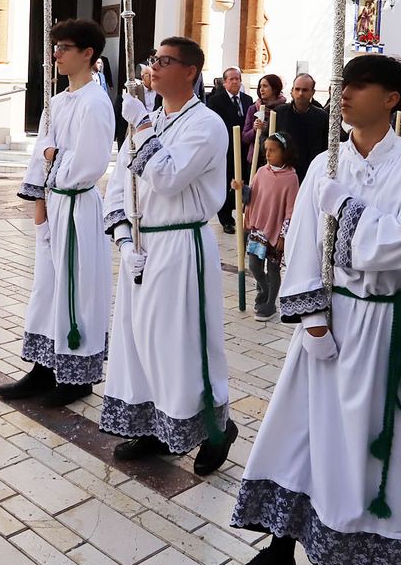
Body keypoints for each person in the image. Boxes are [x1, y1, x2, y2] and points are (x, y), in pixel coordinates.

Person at [219, 54, 401, 565]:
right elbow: (301, 244)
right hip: (323, 322)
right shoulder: (326, 164)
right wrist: (313, 318)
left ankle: (361, 550)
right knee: (298, 433)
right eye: (344, 84)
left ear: (393, 99)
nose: (344, 94)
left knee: (362, 443)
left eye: (361, 86)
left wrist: (345, 208)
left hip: (377, 328)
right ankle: (278, 553)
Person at [103, 35, 238, 474]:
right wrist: (124, 238)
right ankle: (153, 424)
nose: (154, 67)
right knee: (140, 339)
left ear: (191, 71)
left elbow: (166, 178)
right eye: (153, 59)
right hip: (142, 246)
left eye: (165, 61)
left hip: (182, 243)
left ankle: (218, 428)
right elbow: (122, 182)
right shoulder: (150, 120)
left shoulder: (206, 124)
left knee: (182, 343)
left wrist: (141, 127)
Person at [0, 20, 116, 406]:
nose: (56, 54)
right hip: (52, 206)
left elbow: (88, 164)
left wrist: (53, 156)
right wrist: (40, 207)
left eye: (64, 47)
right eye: (55, 47)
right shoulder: (58, 102)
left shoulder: (96, 103)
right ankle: (43, 367)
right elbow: (39, 158)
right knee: (47, 289)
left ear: (88, 54)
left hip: (78, 206)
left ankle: (77, 376)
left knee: (75, 291)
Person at [241, 132, 300, 321]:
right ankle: (264, 288)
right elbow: (252, 196)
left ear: (284, 152)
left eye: (272, 150)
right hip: (258, 228)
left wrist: (284, 236)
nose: (267, 154)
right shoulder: (261, 172)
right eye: (266, 150)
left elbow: (291, 210)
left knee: (273, 269)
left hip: (276, 232)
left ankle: (270, 303)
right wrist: (241, 189)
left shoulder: (291, 177)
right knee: (254, 266)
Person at [205, 67, 254, 233]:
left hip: (244, 146)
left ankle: (240, 212)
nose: (235, 82)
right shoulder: (215, 100)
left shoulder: (247, 99)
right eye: (231, 79)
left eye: (237, 79)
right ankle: (225, 218)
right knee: (226, 181)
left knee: (242, 179)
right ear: (225, 82)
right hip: (225, 147)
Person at [284, 73, 329, 180]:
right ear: (292, 91)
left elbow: (326, 146)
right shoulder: (279, 113)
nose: (300, 93)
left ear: (312, 92)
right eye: (297, 89)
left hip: (312, 171)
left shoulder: (322, 117)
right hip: (284, 171)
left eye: (305, 90)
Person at [241, 73, 287, 173]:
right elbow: (244, 137)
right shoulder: (253, 108)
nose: (261, 89)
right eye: (260, 86)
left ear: (275, 88)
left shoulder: (284, 109)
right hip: (256, 158)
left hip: (277, 159)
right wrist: (254, 129)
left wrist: (268, 129)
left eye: (265, 86)